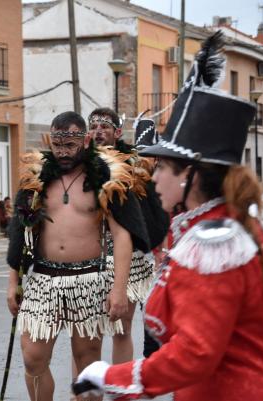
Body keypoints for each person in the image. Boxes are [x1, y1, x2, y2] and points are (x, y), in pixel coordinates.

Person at [75, 31, 263, 401]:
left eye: (163, 166)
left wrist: (111, 376)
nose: (155, 175)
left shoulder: (216, 245)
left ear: (190, 176)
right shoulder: (220, 227)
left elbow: (196, 352)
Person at [6, 111, 150, 401]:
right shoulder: (36, 179)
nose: (63, 153)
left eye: (70, 146)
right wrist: (13, 282)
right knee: (33, 357)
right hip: (43, 280)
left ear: (85, 140)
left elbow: (123, 236)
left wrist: (119, 288)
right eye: (58, 146)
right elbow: (19, 233)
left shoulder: (107, 177)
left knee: (87, 365)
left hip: (88, 280)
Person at [87, 107, 169, 364]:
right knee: (88, 335)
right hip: (87, 257)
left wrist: (158, 249)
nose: (99, 131)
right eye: (94, 127)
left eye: (105, 127)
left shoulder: (134, 166)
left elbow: (154, 208)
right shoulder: (76, 164)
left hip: (127, 257)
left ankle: (120, 387)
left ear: (117, 132)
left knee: (120, 330)